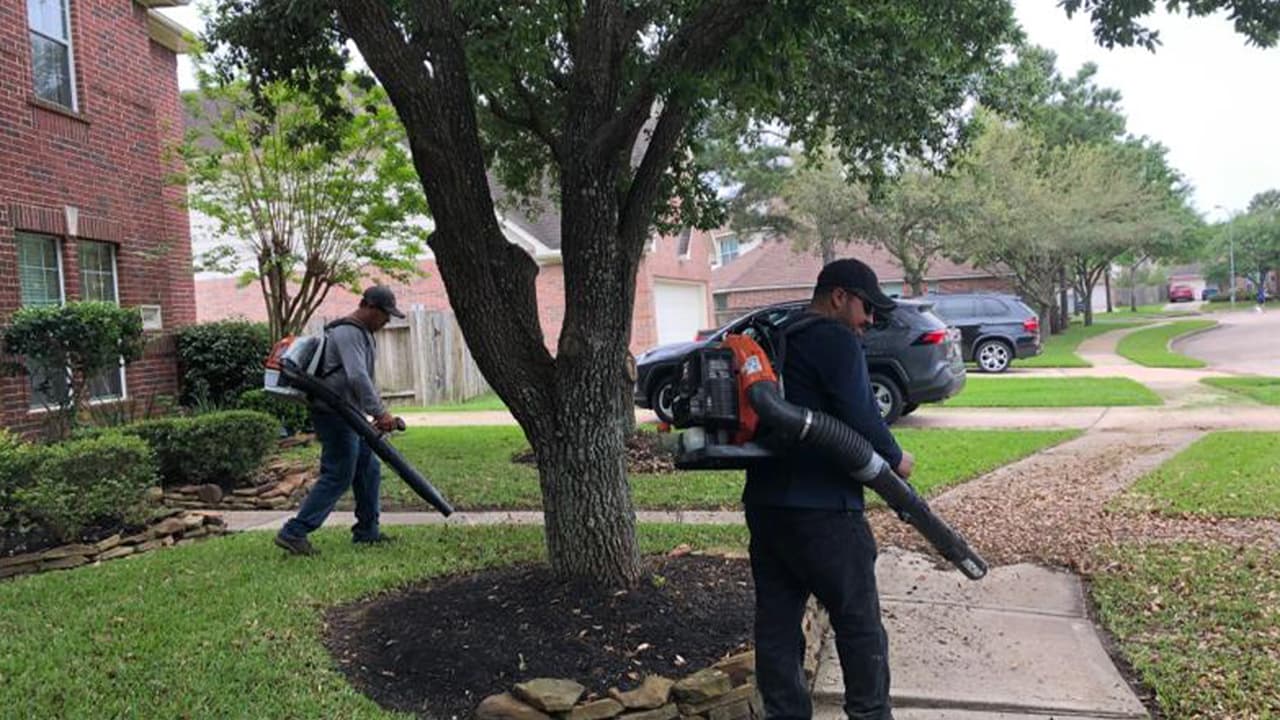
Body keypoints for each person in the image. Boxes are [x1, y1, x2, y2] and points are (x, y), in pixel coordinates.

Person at [743, 258, 914, 720]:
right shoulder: (834, 338)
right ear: (839, 297)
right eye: (867, 308)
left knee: (776, 627)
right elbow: (862, 418)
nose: (869, 321)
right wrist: (898, 461)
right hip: (825, 512)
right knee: (859, 626)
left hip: (767, 507)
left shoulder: (780, 337)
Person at [275, 286, 405, 556]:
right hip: (334, 414)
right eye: (385, 314)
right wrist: (380, 413)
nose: (387, 321)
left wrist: (371, 413)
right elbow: (357, 377)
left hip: (352, 415)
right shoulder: (348, 332)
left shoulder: (364, 334)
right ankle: (294, 532)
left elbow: (360, 379)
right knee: (338, 474)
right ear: (369, 307)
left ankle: (367, 532)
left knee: (368, 470)